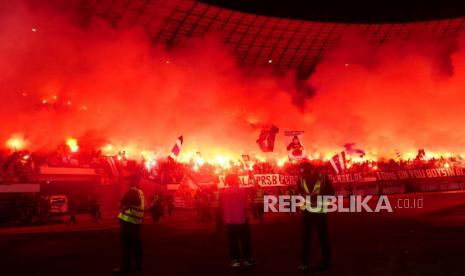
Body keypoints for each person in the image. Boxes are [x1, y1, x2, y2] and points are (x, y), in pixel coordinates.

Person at [298, 162, 334, 272]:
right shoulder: (301, 179)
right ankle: (306, 262)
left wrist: (317, 197)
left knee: (321, 238)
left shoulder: (322, 178)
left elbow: (331, 193)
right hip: (310, 213)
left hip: (318, 212)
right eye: (302, 172)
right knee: (308, 239)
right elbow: (300, 194)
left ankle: (324, 262)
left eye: (305, 172)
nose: (304, 175)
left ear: (311, 170)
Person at [222, 174, 256, 268]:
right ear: (236, 180)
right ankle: (247, 259)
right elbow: (248, 201)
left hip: (229, 220)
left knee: (233, 241)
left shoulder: (223, 192)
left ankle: (235, 260)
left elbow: (222, 206)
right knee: (245, 240)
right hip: (241, 219)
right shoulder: (242, 190)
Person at [114, 174, 145, 274]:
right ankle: (138, 266)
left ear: (134, 181)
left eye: (128, 179)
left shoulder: (131, 192)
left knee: (126, 246)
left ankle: (126, 267)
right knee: (137, 246)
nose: (127, 181)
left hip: (128, 223)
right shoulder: (140, 192)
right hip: (136, 223)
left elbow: (121, 204)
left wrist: (123, 206)